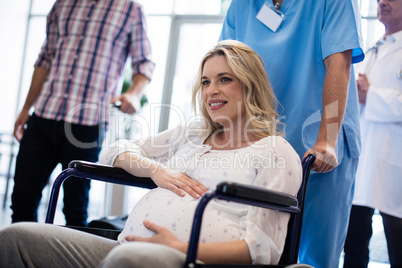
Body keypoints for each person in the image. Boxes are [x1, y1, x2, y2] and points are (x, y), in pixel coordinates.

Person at [0, 40, 302, 267]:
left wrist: (181, 247)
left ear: (251, 85)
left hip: (187, 259)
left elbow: (263, 249)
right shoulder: (194, 132)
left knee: (132, 258)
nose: (211, 90)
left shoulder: (275, 152)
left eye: (225, 79)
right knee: (16, 238)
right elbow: (114, 150)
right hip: (124, 248)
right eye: (206, 82)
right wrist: (155, 170)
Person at [219, 1, 364, 267]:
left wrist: (327, 139)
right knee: (254, 247)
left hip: (318, 147)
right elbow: (225, 70)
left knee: (316, 257)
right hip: (258, 145)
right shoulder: (242, 6)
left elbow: (339, 64)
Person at [11, 0, 154, 226]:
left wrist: (134, 94)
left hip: (87, 125)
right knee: (21, 201)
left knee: (75, 209)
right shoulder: (62, 4)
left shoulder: (129, 8)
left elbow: (144, 64)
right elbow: (45, 59)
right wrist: (26, 108)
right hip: (44, 116)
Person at [343, 0, 402, 267]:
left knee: (396, 240)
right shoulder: (374, 48)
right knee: (354, 241)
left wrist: (370, 96)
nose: (382, 2)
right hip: (364, 155)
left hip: (393, 157)